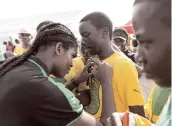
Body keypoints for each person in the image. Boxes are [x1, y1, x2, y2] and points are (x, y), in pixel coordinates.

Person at [0, 22, 117, 126]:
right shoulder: (44, 88)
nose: (72, 63)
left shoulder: (16, 66)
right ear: (59, 48)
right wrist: (107, 82)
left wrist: (76, 82)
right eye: (72, 55)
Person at [105, 0, 171, 125]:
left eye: (147, 42)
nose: (138, 57)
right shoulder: (164, 82)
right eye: (138, 43)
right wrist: (136, 121)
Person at [78, 12, 145, 117]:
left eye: (86, 35)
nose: (83, 41)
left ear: (104, 33)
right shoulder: (94, 62)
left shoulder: (123, 65)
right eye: (82, 36)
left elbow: (138, 113)